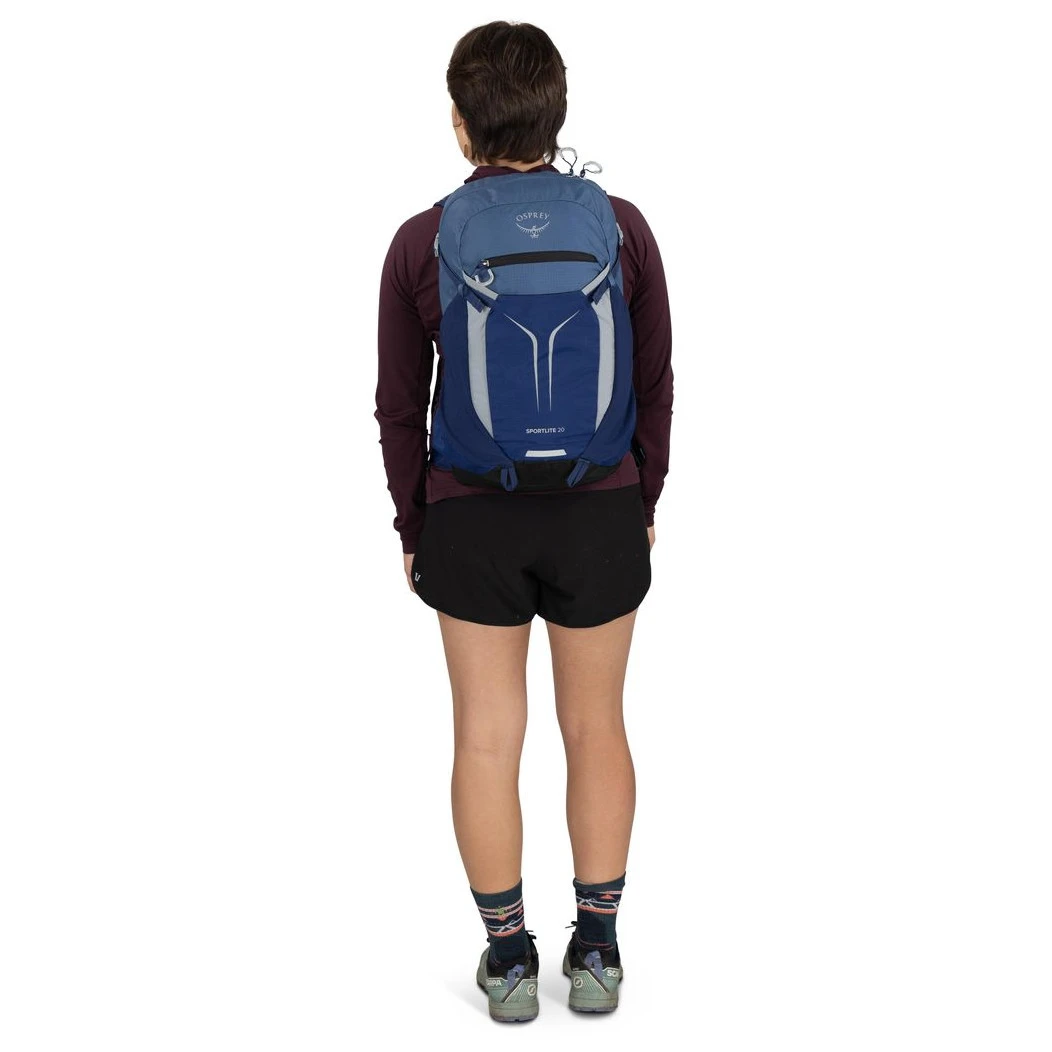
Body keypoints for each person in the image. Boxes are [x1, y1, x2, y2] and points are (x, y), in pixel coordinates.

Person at [374, 20, 673, 1020]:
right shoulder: (622, 227)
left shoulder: (420, 241)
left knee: (486, 737)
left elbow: (398, 405)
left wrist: (412, 524)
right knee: (595, 725)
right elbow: (655, 381)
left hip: (472, 518)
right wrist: (642, 500)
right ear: (558, 112)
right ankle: (598, 949)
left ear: (460, 126)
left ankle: (507, 960)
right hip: (600, 509)